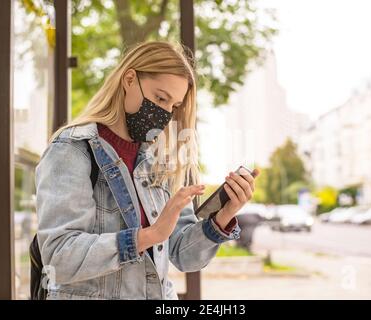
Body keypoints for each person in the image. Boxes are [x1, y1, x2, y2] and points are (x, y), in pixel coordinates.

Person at [35, 41, 259, 300]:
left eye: (173, 105)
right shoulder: (72, 149)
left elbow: (183, 255)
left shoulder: (159, 160)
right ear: (129, 79)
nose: (164, 113)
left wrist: (223, 216)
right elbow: (59, 256)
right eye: (160, 98)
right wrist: (147, 237)